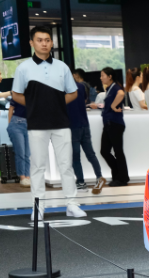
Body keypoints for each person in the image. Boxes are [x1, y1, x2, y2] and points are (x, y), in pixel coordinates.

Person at [11, 25, 84, 220]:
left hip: (61, 122)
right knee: (37, 167)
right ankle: (38, 208)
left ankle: (72, 204)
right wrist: (35, 107)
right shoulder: (23, 68)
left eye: (47, 40)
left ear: (51, 43)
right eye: (39, 40)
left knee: (66, 165)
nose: (44, 43)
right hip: (36, 124)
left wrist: (56, 104)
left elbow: (73, 93)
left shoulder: (62, 67)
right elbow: (16, 94)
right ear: (31, 43)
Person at [67, 78, 106, 194]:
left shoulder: (63, 89)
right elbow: (84, 100)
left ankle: (81, 182)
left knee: (75, 156)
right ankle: (99, 176)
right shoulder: (81, 86)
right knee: (91, 154)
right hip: (84, 124)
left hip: (72, 125)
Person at [99, 67, 129, 187]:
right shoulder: (109, 89)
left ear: (110, 76)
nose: (101, 78)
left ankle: (121, 178)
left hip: (114, 123)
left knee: (117, 151)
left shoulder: (115, 87)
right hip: (109, 123)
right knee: (104, 151)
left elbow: (121, 93)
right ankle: (119, 174)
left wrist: (112, 106)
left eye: (103, 75)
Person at [7, 98, 30, 187]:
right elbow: (11, 109)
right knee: (20, 152)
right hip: (16, 124)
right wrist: (10, 125)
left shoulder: (35, 96)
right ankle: (23, 178)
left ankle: (28, 177)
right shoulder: (18, 95)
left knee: (28, 154)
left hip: (29, 125)